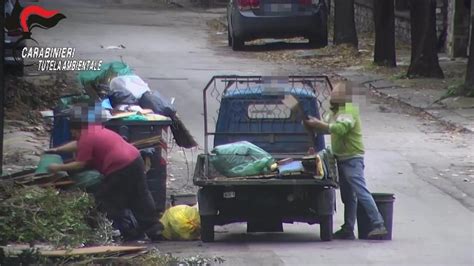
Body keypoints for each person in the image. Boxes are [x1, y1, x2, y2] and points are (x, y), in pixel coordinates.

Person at [47, 107, 163, 241]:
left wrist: (57, 168)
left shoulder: (86, 138)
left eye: (73, 132)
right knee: (140, 196)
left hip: (119, 167)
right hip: (135, 159)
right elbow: (77, 144)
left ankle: (125, 231)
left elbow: (80, 164)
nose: (73, 135)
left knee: (108, 200)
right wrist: (57, 150)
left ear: (76, 129)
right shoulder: (94, 130)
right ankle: (154, 230)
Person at [303, 81, 388, 240]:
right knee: (348, 197)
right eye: (333, 92)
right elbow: (326, 127)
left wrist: (318, 124)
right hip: (341, 157)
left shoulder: (349, 110)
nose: (333, 95)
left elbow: (339, 128)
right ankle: (348, 228)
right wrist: (312, 125)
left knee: (360, 191)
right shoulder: (333, 111)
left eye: (337, 93)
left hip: (352, 157)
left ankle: (378, 224)